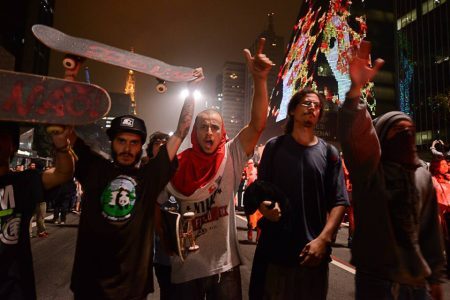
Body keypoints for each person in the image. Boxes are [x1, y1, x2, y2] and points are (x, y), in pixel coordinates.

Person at [69, 69, 203, 300]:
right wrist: (71, 75)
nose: (127, 148)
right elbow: (67, 130)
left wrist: (191, 90)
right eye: (121, 141)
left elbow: (181, 131)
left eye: (134, 143)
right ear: (112, 143)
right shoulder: (94, 169)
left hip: (132, 289)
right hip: (90, 286)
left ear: (141, 146)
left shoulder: (149, 178)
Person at [157, 38, 273, 300]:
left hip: (225, 269)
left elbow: (257, 125)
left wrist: (260, 80)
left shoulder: (231, 154)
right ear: (195, 133)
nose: (209, 132)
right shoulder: (177, 163)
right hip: (186, 269)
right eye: (203, 127)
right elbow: (156, 201)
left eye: (214, 127)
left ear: (222, 133)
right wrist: (163, 237)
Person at [338, 41, 445, 300]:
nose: (405, 135)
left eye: (409, 131)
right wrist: (356, 89)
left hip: (416, 281)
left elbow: (430, 231)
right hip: (377, 280)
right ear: (382, 139)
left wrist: (435, 277)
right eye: (397, 131)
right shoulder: (370, 170)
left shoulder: (421, 175)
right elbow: (357, 136)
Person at [246, 88, 349, 300]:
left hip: (312, 256)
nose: (312, 107)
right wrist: (265, 207)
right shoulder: (274, 147)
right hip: (275, 252)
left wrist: (323, 240)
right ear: (292, 110)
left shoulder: (330, 153)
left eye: (317, 106)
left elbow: (339, 201)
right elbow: (261, 190)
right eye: (307, 103)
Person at [0, 122, 74, 300]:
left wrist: (62, 146)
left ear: (12, 145)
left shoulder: (23, 182)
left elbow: (63, 173)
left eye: (2, 135)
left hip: (13, 290)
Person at [145, 131, 173, 300]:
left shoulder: (176, 171)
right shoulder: (141, 172)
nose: (161, 145)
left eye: (165, 143)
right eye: (157, 143)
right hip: (146, 245)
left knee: (171, 289)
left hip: (168, 245)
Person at [430, 158, 450, 279]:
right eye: (442, 164)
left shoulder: (449, 177)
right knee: (446, 241)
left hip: (448, 212)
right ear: (436, 166)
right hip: (442, 213)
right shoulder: (433, 180)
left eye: (445, 164)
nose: (445, 166)